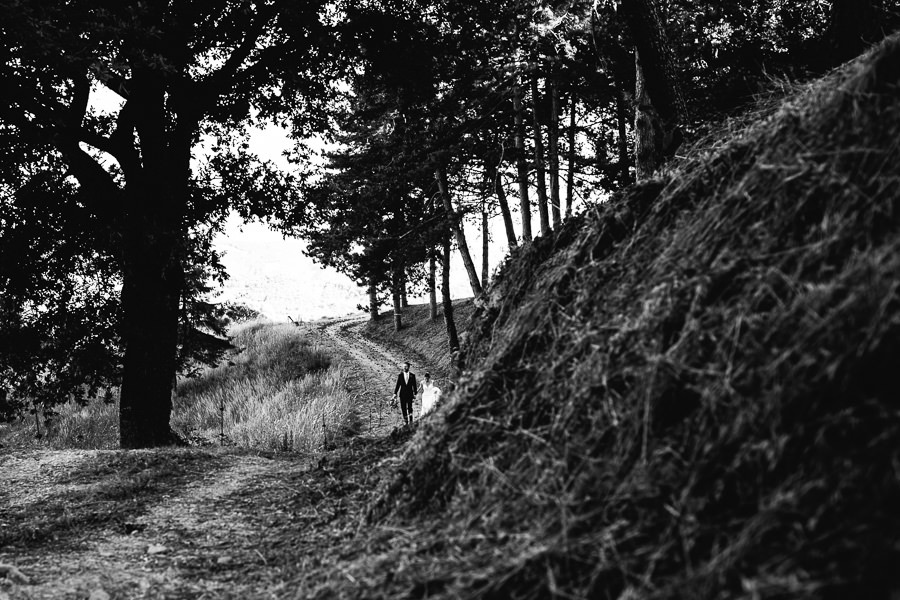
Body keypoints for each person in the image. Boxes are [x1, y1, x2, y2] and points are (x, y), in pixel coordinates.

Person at [393, 361, 417, 426]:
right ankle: (406, 422)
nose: (404, 368)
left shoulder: (412, 375)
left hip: (410, 395)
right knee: (403, 408)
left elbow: (414, 385)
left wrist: (415, 394)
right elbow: (398, 385)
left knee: (410, 408)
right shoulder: (400, 376)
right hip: (402, 395)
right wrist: (395, 393)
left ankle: (411, 421)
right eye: (403, 366)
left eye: (406, 366)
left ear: (408, 367)